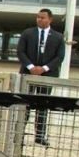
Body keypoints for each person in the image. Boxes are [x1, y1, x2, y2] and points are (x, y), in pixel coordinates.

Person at [16, 8, 65, 146]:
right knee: (24, 104)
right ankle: (18, 134)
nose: (39, 19)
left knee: (43, 105)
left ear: (50, 19)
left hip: (47, 76)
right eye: (38, 17)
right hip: (28, 74)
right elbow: (20, 52)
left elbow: (59, 57)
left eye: (42, 17)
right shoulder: (27, 33)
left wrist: (43, 69)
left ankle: (40, 135)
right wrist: (31, 67)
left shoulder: (58, 37)